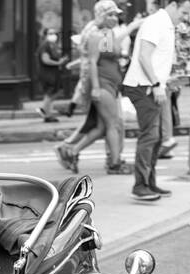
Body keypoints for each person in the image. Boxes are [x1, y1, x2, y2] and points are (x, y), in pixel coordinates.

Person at [58, 1, 130, 175]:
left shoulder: (108, 34)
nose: (114, 18)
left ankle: (72, 151)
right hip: (103, 85)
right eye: (110, 15)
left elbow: (110, 56)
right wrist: (96, 88)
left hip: (111, 85)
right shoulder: (96, 35)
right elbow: (92, 62)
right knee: (113, 125)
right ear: (101, 16)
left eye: (115, 15)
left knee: (102, 128)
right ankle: (114, 164)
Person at [123, 0, 182, 202]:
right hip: (142, 86)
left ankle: (149, 182)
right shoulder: (156, 22)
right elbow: (144, 56)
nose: (184, 17)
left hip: (150, 85)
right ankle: (140, 186)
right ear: (174, 5)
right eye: (184, 12)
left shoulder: (165, 24)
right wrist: (157, 84)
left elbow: (156, 59)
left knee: (155, 137)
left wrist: (165, 81)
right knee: (150, 136)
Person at [36, 29, 70, 120]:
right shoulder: (45, 46)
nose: (53, 35)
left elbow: (53, 59)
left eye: (55, 33)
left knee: (57, 91)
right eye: (50, 33)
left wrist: (61, 61)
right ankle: (45, 112)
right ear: (45, 35)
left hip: (53, 73)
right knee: (51, 91)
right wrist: (58, 63)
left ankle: (46, 112)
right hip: (47, 73)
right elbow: (45, 60)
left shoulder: (52, 46)